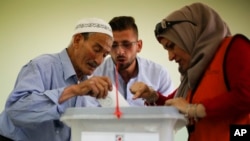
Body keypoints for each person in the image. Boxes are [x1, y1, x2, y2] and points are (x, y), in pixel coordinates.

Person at [131, 2, 250, 141]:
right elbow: (176, 104)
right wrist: (152, 96)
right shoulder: (194, 73)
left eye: (172, 46)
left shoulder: (234, 47)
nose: (170, 57)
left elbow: (246, 95)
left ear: (188, 35)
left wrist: (196, 110)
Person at [0, 18, 114, 141]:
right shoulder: (41, 66)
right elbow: (16, 111)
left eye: (104, 55)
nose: (99, 61)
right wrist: (74, 90)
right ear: (77, 40)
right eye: (96, 50)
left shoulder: (93, 85)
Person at [93, 16, 174, 106]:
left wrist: (152, 96)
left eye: (126, 44)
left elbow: (169, 112)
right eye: (114, 45)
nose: (120, 51)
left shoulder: (159, 74)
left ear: (139, 46)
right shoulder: (95, 74)